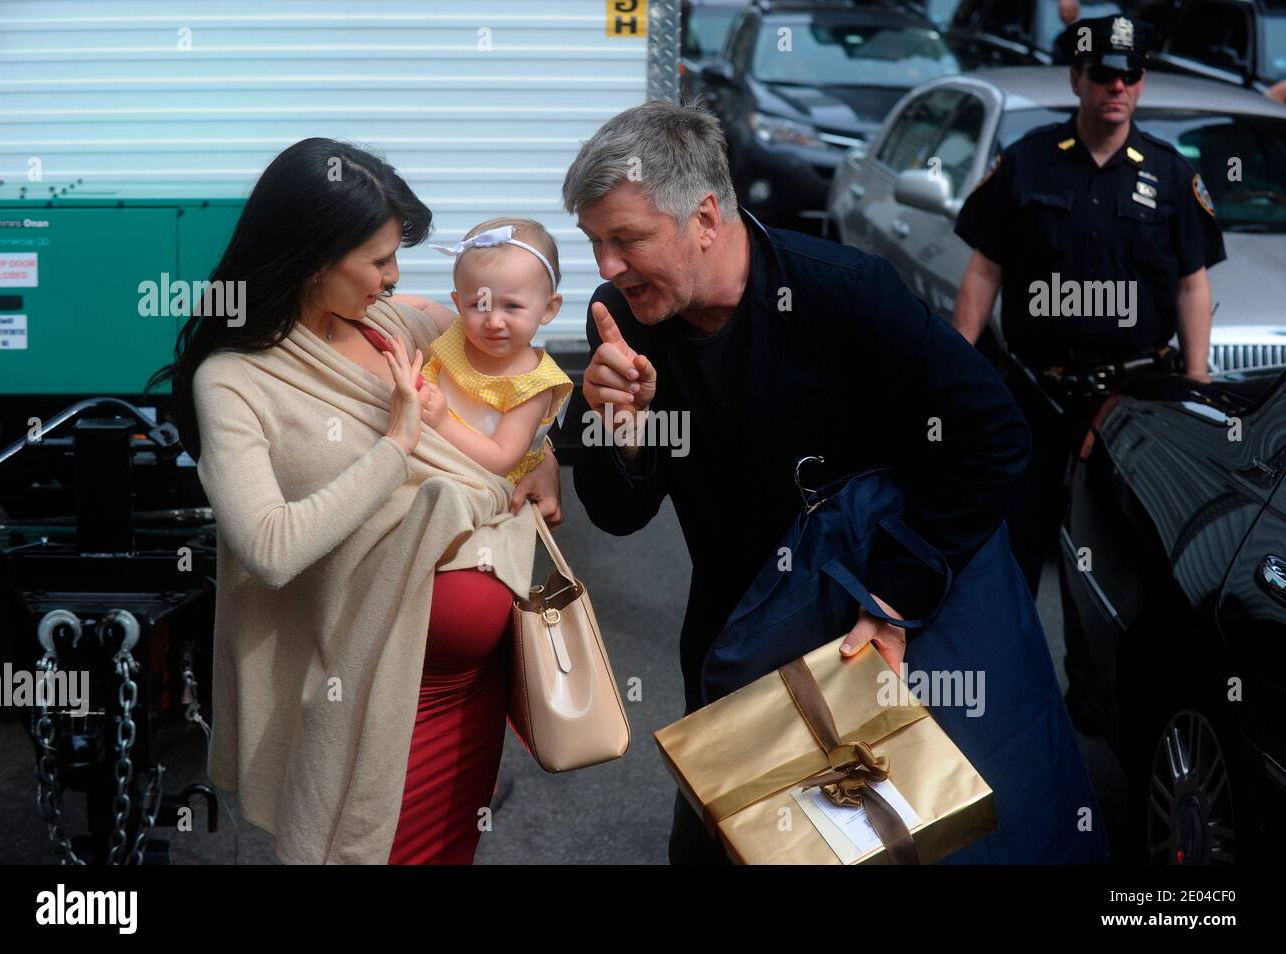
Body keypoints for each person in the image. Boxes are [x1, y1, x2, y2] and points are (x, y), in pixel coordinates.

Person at [563, 101, 1106, 865]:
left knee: (910, 843)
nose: (607, 268)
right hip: (742, 645)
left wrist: (895, 595)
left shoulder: (843, 290)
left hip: (875, 638)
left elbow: (992, 433)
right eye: (595, 244)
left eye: (626, 240)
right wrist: (617, 433)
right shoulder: (623, 318)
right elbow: (618, 517)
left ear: (707, 218)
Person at [147, 138, 563, 864]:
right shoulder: (235, 381)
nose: (393, 276)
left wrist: (544, 459)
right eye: (377, 261)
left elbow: (509, 386)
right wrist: (394, 447)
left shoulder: (401, 325)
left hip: (470, 694)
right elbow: (270, 549)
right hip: (369, 700)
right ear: (314, 258)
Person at [952, 14, 1226, 596]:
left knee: (1117, 558)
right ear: (1076, 80)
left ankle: (1099, 686)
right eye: (1102, 75)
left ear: (1142, 82)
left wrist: (1197, 382)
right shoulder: (1028, 162)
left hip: (1131, 404)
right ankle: (1014, 670)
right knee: (1015, 544)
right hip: (1035, 394)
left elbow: (1191, 284)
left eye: (1130, 75)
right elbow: (984, 270)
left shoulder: (1171, 173)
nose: (1117, 87)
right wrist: (956, 364)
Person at [405, 218, 573, 485]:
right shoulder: (459, 331)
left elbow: (502, 459)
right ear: (459, 304)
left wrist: (442, 422)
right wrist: (376, 301)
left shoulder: (533, 384)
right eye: (479, 305)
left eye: (512, 307)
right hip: (431, 456)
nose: (494, 322)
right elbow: (421, 306)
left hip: (484, 481)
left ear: (549, 309)